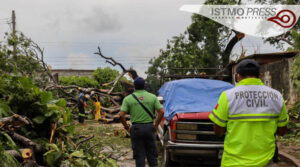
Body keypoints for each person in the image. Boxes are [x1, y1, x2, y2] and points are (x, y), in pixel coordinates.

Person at [209, 59, 289, 167]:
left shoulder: (227, 96)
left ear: (237, 76)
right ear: (260, 75)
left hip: (233, 162)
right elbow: (282, 131)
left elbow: (218, 131)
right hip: (266, 162)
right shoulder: (276, 96)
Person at [120, 77, 164, 167]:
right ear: (144, 86)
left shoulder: (128, 99)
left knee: (139, 156)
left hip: (136, 129)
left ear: (134, 86)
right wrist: (155, 125)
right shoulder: (152, 97)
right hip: (149, 128)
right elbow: (162, 112)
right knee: (152, 155)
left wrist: (127, 127)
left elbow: (121, 115)